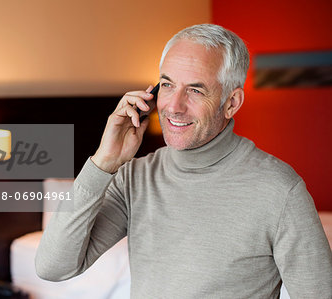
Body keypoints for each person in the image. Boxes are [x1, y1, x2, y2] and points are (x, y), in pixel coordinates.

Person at [35, 24, 332, 298]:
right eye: (166, 85)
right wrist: (103, 162)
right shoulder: (134, 178)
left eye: (195, 90)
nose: (174, 107)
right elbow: (53, 267)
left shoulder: (280, 190)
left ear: (231, 103)